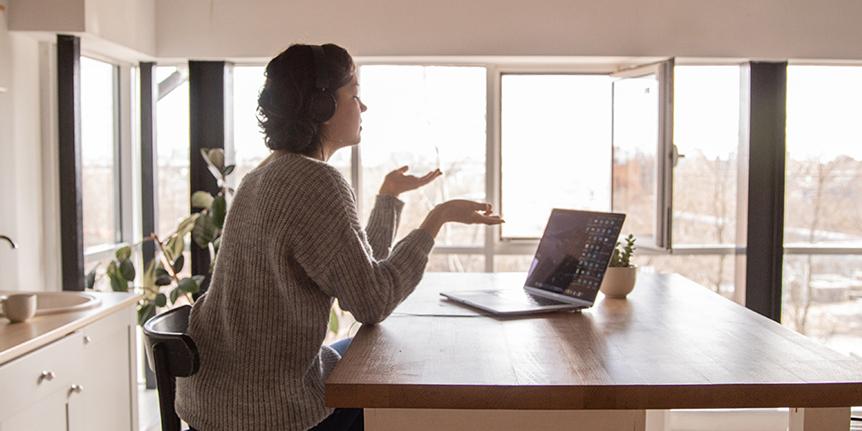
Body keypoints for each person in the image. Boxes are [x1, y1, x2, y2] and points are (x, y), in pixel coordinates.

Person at [175, 43, 504, 431]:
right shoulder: (315, 180)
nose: (362, 107)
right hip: (269, 413)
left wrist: (387, 198)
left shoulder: (261, 175)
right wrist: (437, 218)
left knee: (371, 356)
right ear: (322, 106)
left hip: (217, 401)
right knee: (394, 375)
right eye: (355, 94)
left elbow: (357, 277)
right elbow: (372, 302)